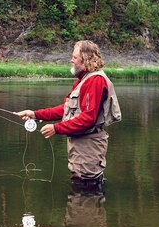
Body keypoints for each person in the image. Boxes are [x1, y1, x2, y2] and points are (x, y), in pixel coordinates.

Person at [15, 40, 120, 192]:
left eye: (74, 57)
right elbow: (66, 109)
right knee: (81, 192)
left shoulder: (96, 81)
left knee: (86, 188)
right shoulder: (84, 80)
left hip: (89, 146)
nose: (71, 60)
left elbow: (88, 118)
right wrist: (35, 114)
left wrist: (56, 128)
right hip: (82, 146)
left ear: (85, 60)